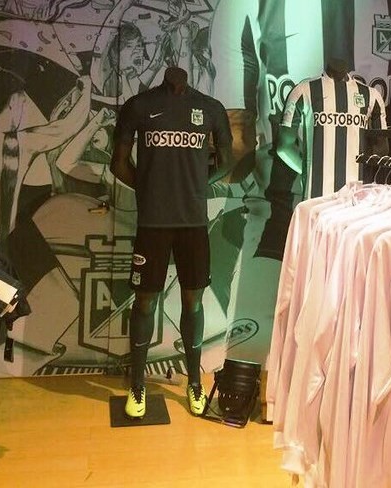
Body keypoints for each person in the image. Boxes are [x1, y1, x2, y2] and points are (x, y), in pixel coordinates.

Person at [110, 66, 238, 419]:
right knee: (145, 302)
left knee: (192, 303)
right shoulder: (139, 106)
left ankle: (194, 383)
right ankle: (138, 385)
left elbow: (226, 161)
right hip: (153, 223)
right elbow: (118, 164)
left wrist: (196, 185)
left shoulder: (210, 108)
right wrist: (149, 189)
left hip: (193, 223)